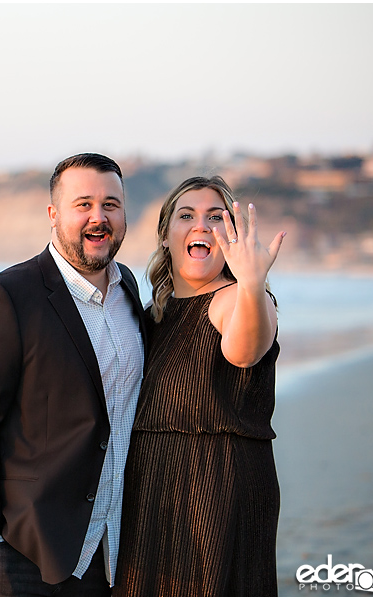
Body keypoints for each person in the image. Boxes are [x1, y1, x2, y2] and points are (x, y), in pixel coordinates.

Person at [0, 153, 147, 596]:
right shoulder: (5, 297)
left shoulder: (128, 289)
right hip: (15, 548)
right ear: (53, 215)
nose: (98, 217)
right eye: (82, 204)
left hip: (102, 549)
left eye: (111, 205)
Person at [113, 176, 286, 596]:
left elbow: (244, 350)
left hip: (216, 489)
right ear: (166, 235)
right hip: (150, 489)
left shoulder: (238, 300)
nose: (200, 226)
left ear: (230, 236)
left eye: (215, 217)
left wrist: (250, 283)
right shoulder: (154, 313)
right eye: (186, 215)